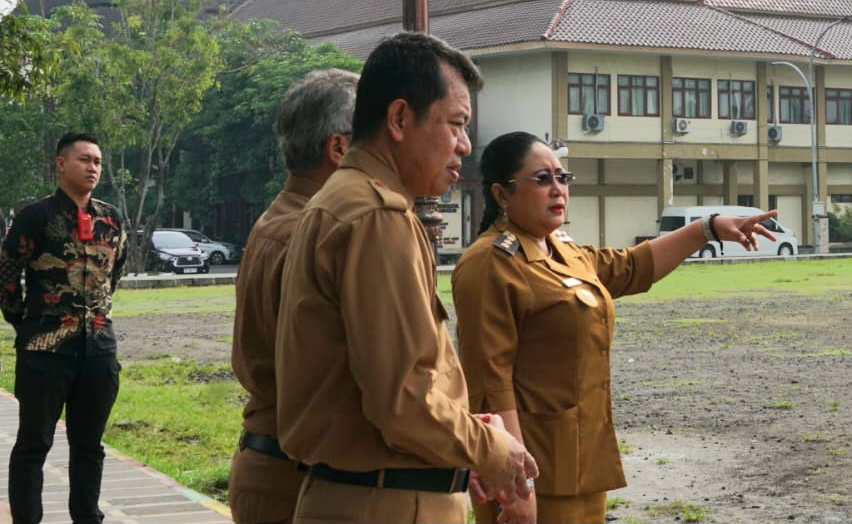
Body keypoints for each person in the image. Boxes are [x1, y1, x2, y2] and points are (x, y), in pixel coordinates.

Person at [275, 33, 538, 524]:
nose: (464, 145)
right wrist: (493, 448)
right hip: (386, 501)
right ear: (399, 119)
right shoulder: (377, 216)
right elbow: (402, 401)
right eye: (456, 124)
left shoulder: (340, 200)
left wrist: (461, 433)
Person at [452, 132, 777, 524]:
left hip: (584, 459)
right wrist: (516, 482)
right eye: (541, 180)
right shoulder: (489, 264)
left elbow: (632, 267)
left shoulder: (561, 249)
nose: (557, 190)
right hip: (535, 468)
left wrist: (707, 228)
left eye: (562, 178)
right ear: (502, 194)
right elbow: (489, 382)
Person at [228, 69, 358, 523]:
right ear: (339, 149)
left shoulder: (283, 219)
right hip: (297, 475)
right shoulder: (312, 231)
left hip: (277, 463)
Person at [0, 133, 127, 524]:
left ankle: (87, 517)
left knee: (89, 446)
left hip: (99, 350)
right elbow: (7, 275)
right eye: (84, 159)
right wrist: (28, 323)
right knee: (34, 446)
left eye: (98, 162)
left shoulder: (112, 218)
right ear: (61, 164)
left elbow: (114, 273)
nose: (93, 168)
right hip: (45, 351)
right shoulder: (35, 217)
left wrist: (97, 317)